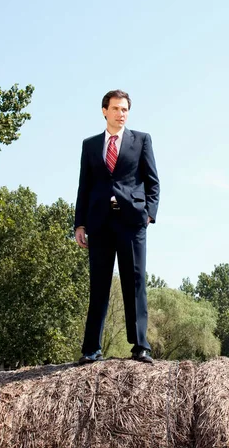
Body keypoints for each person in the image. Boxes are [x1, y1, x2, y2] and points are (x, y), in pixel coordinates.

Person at [74, 89, 160, 364]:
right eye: (116, 109)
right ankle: (91, 349)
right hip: (99, 222)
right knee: (98, 285)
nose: (121, 114)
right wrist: (80, 223)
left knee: (134, 283)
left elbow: (152, 182)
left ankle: (141, 346)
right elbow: (84, 187)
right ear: (104, 111)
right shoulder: (90, 145)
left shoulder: (142, 140)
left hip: (132, 222)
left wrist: (149, 213)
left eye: (125, 110)